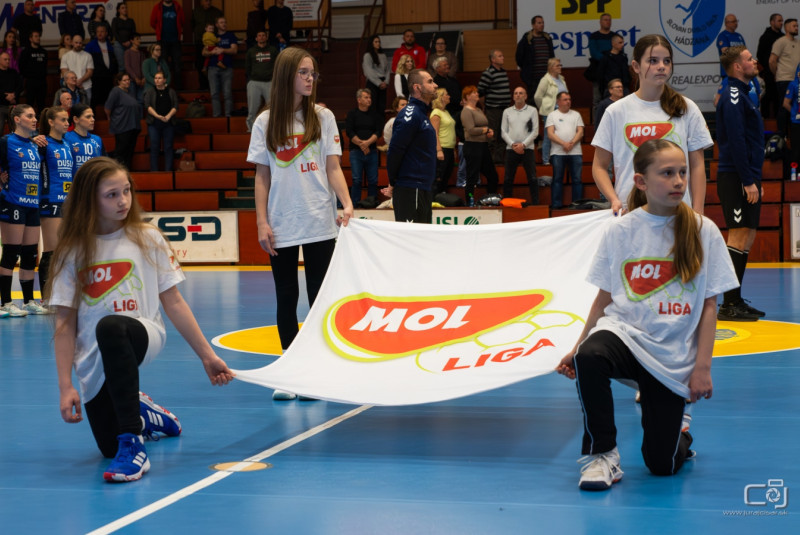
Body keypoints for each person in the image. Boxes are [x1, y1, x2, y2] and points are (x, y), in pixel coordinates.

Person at [556, 138, 738, 491]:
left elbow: (709, 306)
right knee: (590, 356)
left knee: (661, 465)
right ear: (641, 181)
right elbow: (604, 298)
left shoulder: (704, 231)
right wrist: (576, 348)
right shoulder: (620, 230)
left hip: (670, 356)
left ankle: (680, 434)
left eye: (682, 172)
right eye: (667, 173)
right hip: (624, 334)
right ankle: (601, 455)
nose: (679, 181)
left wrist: (702, 369)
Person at [49, 156, 234, 482]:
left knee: (112, 326)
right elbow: (64, 323)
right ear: (90, 199)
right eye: (111, 194)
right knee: (108, 447)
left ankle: (134, 444)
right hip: (93, 352)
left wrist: (208, 357)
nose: (123, 201)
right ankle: (145, 413)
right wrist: (66, 386)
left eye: (126, 191)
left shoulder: (148, 237)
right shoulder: (72, 250)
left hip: (143, 333)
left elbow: (174, 302)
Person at [246, 47, 353, 400]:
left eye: (313, 73)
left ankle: (317, 370)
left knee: (319, 297)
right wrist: (261, 221)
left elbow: (333, 166)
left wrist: (347, 202)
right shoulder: (265, 122)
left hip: (319, 217)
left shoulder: (323, 117)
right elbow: (262, 176)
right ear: (286, 75)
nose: (310, 79)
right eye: (304, 72)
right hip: (282, 221)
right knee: (286, 295)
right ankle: (290, 372)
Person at [591, 34, 713, 216]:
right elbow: (599, 167)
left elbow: (697, 165)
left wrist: (698, 211)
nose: (661, 66)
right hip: (630, 213)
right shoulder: (615, 112)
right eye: (653, 61)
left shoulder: (687, 108)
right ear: (636, 66)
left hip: (678, 213)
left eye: (667, 61)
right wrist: (614, 200)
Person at [717, 47, 766, 322]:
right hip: (735, 175)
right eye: (749, 59)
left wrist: (755, 178)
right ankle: (728, 304)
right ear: (737, 66)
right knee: (737, 235)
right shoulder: (733, 95)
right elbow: (736, 140)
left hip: (747, 175)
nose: (754, 61)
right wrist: (747, 180)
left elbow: (751, 140)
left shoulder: (746, 93)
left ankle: (736, 300)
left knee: (748, 236)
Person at [0, 104, 42, 317]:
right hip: (12, 202)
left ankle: (29, 301)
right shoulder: (6, 142)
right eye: (29, 116)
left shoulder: (35, 144)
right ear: (17, 119)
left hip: (32, 204)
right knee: (11, 252)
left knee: (29, 254)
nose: (34, 119)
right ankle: (6, 303)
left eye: (35, 116)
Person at [386, 69, 438, 222]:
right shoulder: (410, 114)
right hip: (411, 188)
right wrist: (393, 181)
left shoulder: (421, 114)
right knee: (410, 236)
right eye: (430, 81)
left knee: (422, 236)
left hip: (422, 187)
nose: (435, 85)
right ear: (417, 87)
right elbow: (395, 150)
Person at [37, 106, 74, 309]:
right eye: (63, 120)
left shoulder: (67, 144)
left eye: (68, 120)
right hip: (50, 200)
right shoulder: (43, 143)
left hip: (67, 201)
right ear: (51, 122)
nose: (67, 123)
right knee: (51, 250)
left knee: (65, 251)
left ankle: (61, 294)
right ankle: (46, 297)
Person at [461, 84, 499, 205]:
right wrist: (486, 130)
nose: (477, 94)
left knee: (492, 176)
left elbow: (483, 127)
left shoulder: (478, 109)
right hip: (472, 146)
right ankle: (470, 202)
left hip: (483, 146)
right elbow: (471, 130)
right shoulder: (466, 111)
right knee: (472, 177)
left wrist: (489, 131)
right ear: (468, 96)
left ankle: (491, 200)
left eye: (477, 92)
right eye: (474, 92)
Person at [546, 92, 584, 209]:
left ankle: (577, 205)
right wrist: (564, 143)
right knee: (557, 179)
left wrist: (571, 143)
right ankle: (556, 205)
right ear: (558, 102)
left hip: (575, 151)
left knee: (577, 180)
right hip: (558, 152)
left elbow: (580, 132)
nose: (568, 102)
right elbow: (550, 134)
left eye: (569, 99)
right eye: (565, 99)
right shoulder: (552, 115)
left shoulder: (576, 114)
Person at [501, 86, 538, 203]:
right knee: (508, 178)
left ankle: (536, 204)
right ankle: (507, 203)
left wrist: (523, 145)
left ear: (525, 96)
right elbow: (503, 131)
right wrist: (513, 145)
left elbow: (535, 131)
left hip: (528, 148)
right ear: (513, 96)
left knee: (532, 178)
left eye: (521, 93)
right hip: (510, 149)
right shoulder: (507, 111)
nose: (518, 95)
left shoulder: (532, 110)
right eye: (516, 93)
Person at [346, 88, 383, 205]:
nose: (369, 100)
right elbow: (349, 132)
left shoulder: (375, 114)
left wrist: (367, 143)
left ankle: (372, 202)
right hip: (356, 152)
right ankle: (355, 204)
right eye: (366, 97)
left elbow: (378, 132)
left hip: (371, 151)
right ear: (359, 100)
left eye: (370, 97)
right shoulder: (352, 114)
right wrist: (362, 145)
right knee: (356, 179)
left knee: (373, 180)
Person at [478, 49, 512, 164]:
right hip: (493, 109)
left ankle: (499, 159)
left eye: (502, 55)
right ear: (493, 59)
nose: (503, 58)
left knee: (503, 134)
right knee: (492, 134)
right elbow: (480, 91)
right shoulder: (488, 73)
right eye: (500, 56)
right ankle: (490, 160)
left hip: (505, 108)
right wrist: (484, 106)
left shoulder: (503, 72)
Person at [104, 73, 141, 170]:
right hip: (122, 126)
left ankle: (127, 171)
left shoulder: (130, 91)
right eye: (124, 80)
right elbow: (108, 107)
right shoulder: (116, 91)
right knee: (121, 151)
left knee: (129, 151)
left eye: (128, 80)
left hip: (133, 126)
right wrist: (109, 118)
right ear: (119, 81)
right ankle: (117, 172)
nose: (127, 82)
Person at [534, 57, 567, 166]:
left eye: (560, 65)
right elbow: (537, 97)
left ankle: (558, 158)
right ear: (551, 67)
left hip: (562, 111)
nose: (560, 67)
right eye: (557, 65)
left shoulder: (561, 79)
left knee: (561, 135)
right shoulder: (545, 80)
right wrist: (545, 107)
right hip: (550, 112)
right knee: (549, 136)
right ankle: (546, 160)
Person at [770, 18, 800, 135]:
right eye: (794, 26)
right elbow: (772, 61)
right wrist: (776, 74)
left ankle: (794, 134)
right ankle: (782, 135)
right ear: (786, 28)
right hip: (784, 79)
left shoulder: (798, 43)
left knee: (796, 107)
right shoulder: (780, 42)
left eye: (797, 26)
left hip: (796, 81)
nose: (796, 28)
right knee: (784, 107)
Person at [203, 17, 238, 118]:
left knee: (227, 94)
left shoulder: (230, 35)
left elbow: (234, 50)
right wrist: (212, 52)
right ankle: (217, 117)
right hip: (213, 67)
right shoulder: (211, 35)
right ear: (216, 25)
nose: (224, 24)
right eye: (221, 22)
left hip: (227, 68)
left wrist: (223, 50)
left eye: (225, 22)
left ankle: (228, 117)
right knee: (214, 94)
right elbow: (204, 52)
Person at [515, 15, 554, 103]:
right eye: (539, 23)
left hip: (546, 78)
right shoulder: (526, 39)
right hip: (533, 79)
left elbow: (552, 57)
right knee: (533, 102)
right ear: (533, 25)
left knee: (547, 102)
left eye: (543, 23)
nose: (542, 25)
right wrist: (526, 69)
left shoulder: (547, 38)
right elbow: (519, 57)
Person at [245, 30, 278, 133]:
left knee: (272, 108)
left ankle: (273, 129)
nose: (261, 37)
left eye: (263, 35)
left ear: (266, 37)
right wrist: (251, 78)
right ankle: (251, 129)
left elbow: (277, 65)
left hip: (270, 82)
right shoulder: (251, 51)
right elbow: (247, 67)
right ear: (256, 38)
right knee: (252, 109)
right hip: (254, 82)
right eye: (259, 35)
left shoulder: (273, 50)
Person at [145, 72, 178, 171]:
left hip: (168, 122)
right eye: (155, 78)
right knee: (154, 147)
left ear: (164, 80)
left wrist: (168, 116)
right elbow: (147, 106)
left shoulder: (171, 91)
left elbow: (175, 106)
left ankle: (168, 172)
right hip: (154, 123)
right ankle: (154, 172)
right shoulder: (150, 91)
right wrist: (157, 116)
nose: (157, 80)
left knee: (168, 147)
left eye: (159, 78)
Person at [149, 0, 184, 90]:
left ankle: (178, 89)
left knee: (177, 66)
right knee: (163, 65)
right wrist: (159, 30)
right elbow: (152, 22)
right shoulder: (157, 7)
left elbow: (182, 21)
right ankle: (164, 88)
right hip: (162, 41)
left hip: (175, 41)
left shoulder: (177, 6)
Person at [191, 0, 224, 87]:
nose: (208, 2)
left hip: (213, 42)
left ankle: (213, 85)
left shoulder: (217, 12)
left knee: (213, 64)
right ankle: (203, 85)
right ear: (202, 1)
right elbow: (192, 25)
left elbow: (220, 26)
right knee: (200, 64)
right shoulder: (196, 11)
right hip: (200, 42)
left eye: (209, 0)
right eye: (206, 1)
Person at [85, 25, 119, 107]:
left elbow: (113, 60)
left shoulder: (109, 45)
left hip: (108, 77)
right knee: (95, 99)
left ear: (106, 33)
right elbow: (85, 61)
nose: (100, 33)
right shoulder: (90, 45)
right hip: (96, 77)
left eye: (102, 31)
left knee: (108, 99)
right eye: (98, 32)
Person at [64, 103, 105, 171]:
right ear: (76, 119)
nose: (93, 119)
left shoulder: (97, 140)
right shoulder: (65, 137)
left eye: (93, 116)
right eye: (88, 117)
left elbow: (104, 164)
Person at [757, 14, 784, 118]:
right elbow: (760, 55)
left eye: (782, 21)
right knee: (767, 98)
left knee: (780, 98)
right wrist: (768, 68)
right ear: (772, 22)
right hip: (769, 74)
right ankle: (766, 121)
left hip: (782, 73)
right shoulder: (765, 37)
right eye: (779, 21)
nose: (781, 23)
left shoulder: (783, 37)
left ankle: (780, 122)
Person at [430, 88, 456, 194]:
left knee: (446, 177)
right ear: (440, 97)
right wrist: (439, 150)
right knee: (438, 177)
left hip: (449, 149)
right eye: (446, 94)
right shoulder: (436, 113)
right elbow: (434, 133)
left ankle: (440, 198)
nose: (449, 96)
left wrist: (453, 149)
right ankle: (433, 199)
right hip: (442, 148)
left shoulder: (446, 112)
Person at [588, 13, 614, 110]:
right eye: (605, 20)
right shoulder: (594, 36)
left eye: (609, 20)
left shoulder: (614, 36)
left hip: (612, 72)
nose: (608, 22)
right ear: (600, 22)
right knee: (597, 99)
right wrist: (607, 59)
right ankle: (597, 120)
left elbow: (618, 52)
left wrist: (610, 60)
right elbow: (594, 53)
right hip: (598, 71)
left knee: (612, 99)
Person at [18, 30, 48, 112]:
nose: (38, 38)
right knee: (29, 103)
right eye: (35, 36)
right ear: (30, 39)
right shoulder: (25, 52)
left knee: (41, 104)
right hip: (31, 81)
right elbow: (21, 67)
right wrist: (29, 75)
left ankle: (41, 119)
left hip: (42, 81)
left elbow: (45, 66)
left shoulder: (44, 52)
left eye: (38, 36)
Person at [60, 34, 94, 105]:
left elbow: (90, 72)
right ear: (72, 43)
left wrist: (80, 81)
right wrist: (75, 83)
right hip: (70, 88)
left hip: (86, 86)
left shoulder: (88, 56)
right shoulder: (65, 56)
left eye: (80, 43)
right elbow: (64, 72)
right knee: (70, 108)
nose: (78, 45)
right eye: (76, 42)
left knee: (86, 109)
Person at [363, 35, 390, 115]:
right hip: (373, 82)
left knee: (382, 106)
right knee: (372, 105)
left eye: (379, 42)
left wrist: (386, 82)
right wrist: (379, 83)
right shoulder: (367, 55)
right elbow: (368, 71)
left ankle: (381, 122)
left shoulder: (383, 55)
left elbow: (387, 70)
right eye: (376, 42)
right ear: (371, 43)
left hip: (383, 82)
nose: (378, 43)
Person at [716, 14, 746, 78]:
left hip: (740, 71)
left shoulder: (739, 36)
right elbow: (726, 52)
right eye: (733, 22)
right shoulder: (722, 36)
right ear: (726, 23)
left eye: (736, 21)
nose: (735, 23)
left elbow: (745, 52)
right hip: (729, 72)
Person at [0, 51, 23, 132]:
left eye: (9, 59)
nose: (7, 61)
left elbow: (20, 86)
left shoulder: (13, 72)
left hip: (13, 105)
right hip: (1, 105)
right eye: (5, 59)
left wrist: (14, 95)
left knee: (16, 130)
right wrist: (6, 96)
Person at [111, 2, 137, 73]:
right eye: (122, 8)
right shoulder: (115, 20)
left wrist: (129, 41)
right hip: (119, 44)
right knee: (122, 65)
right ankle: (122, 79)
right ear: (118, 10)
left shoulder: (131, 21)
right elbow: (114, 32)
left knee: (131, 65)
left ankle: (131, 80)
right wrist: (122, 42)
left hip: (130, 44)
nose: (125, 9)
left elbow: (133, 32)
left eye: (126, 8)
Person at [124, 34, 145, 103]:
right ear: (132, 41)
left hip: (141, 81)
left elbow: (143, 66)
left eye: (139, 39)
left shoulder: (141, 53)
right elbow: (127, 66)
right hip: (132, 80)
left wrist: (143, 78)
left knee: (141, 100)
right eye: (137, 39)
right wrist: (135, 78)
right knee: (132, 100)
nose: (139, 41)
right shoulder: (128, 52)